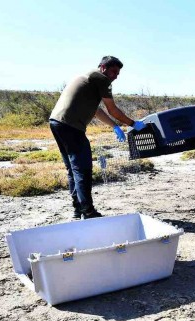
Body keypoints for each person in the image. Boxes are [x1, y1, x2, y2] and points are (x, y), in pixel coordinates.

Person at [49, 55, 146, 219]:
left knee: (73, 170)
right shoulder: (101, 79)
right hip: (71, 126)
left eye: (118, 73)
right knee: (82, 169)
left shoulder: (87, 78)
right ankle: (88, 212)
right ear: (103, 68)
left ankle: (78, 210)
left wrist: (114, 126)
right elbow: (112, 109)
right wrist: (132, 123)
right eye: (113, 71)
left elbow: (96, 111)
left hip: (56, 123)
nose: (115, 76)